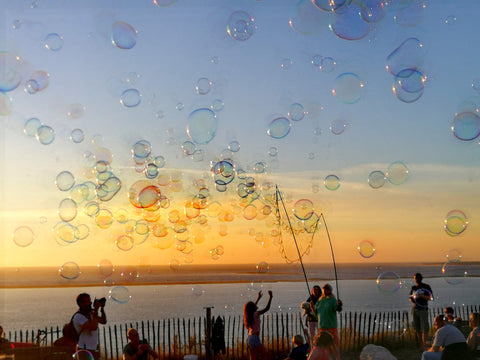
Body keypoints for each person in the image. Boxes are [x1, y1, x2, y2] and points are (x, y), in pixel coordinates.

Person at [72, 293, 107, 360]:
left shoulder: (91, 314)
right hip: (84, 349)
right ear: (81, 304)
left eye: (90, 301)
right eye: (87, 301)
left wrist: (102, 309)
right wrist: (96, 310)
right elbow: (93, 327)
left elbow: (103, 321)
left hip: (93, 348)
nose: (90, 303)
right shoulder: (78, 316)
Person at [243, 290, 273, 360]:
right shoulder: (256, 314)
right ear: (252, 308)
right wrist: (271, 297)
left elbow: (253, 307)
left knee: (253, 358)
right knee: (266, 355)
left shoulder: (249, 315)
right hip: (254, 338)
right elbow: (267, 308)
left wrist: (258, 298)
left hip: (250, 338)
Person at [312, 284, 342, 348]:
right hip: (321, 327)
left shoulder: (332, 300)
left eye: (327, 288)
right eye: (323, 288)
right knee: (322, 345)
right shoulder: (320, 300)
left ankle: (335, 357)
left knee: (333, 345)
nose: (325, 289)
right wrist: (312, 307)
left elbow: (337, 309)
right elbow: (316, 313)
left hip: (331, 326)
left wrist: (339, 305)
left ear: (330, 290)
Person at [409, 272, 433, 350]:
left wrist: (421, 296)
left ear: (421, 278)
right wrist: (413, 299)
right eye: (415, 278)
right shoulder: (413, 288)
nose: (416, 280)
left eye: (418, 278)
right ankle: (421, 345)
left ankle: (424, 345)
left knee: (424, 328)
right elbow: (410, 298)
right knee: (418, 328)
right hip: (415, 310)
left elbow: (431, 298)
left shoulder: (426, 287)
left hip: (423, 310)